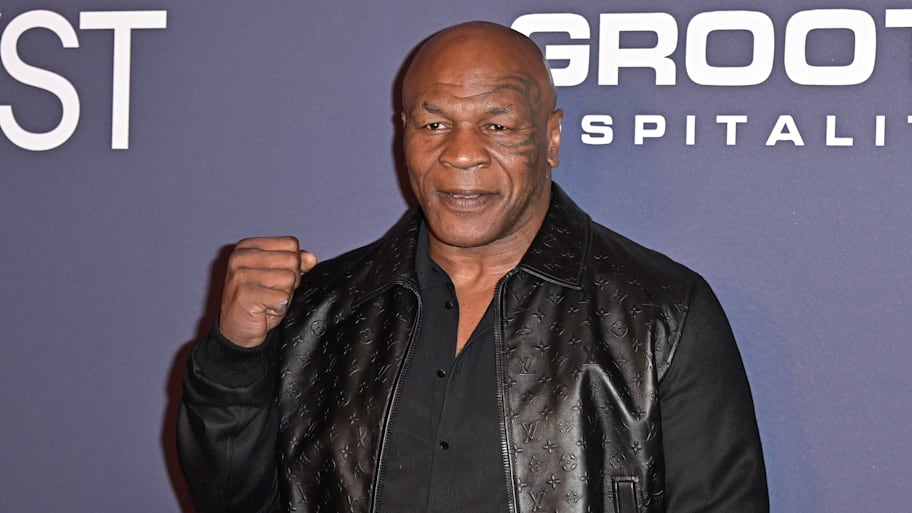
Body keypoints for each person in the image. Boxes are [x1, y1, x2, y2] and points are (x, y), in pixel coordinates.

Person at [178, 21, 768, 513]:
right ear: (404, 134)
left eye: (498, 125)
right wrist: (235, 356)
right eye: (434, 124)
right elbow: (231, 501)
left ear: (552, 139)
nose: (461, 153)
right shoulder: (316, 309)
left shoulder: (659, 312)